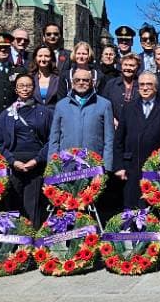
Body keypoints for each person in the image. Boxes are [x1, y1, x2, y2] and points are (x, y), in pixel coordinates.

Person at [48, 67, 115, 216]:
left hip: (94, 167)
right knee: (68, 208)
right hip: (66, 167)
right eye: (78, 80)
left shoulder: (104, 105)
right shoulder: (61, 105)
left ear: (93, 82)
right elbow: (54, 138)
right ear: (72, 83)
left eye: (86, 80)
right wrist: (51, 166)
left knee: (92, 210)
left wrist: (107, 167)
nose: (81, 83)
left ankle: (92, 237)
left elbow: (109, 139)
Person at [0, 73, 51, 225]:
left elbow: (52, 140)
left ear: (34, 88)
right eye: (21, 86)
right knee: (13, 205)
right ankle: (14, 243)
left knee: (34, 206)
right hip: (13, 164)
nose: (25, 89)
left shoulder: (45, 112)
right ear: (16, 89)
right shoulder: (6, 114)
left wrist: (37, 160)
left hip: (36, 164)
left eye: (28, 86)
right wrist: (12, 161)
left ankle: (32, 245)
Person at [114, 71, 160, 209]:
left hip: (158, 168)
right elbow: (119, 140)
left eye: (149, 84)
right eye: (142, 84)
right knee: (132, 208)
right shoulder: (128, 108)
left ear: (156, 87)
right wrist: (119, 166)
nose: (145, 88)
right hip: (131, 167)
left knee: (153, 209)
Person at [102, 53, 140, 123]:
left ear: (137, 67)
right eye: (125, 65)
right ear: (121, 66)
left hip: (137, 126)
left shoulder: (142, 84)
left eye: (132, 65)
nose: (128, 68)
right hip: (114, 126)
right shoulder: (111, 84)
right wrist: (112, 119)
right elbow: (103, 106)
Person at [30, 45, 63, 111]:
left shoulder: (58, 79)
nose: (43, 59)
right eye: (40, 56)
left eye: (47, 56)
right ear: (35, 58)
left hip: (53, 116)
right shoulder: (30, 79)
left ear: (51, 59)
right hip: (35, 117)